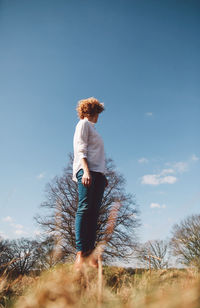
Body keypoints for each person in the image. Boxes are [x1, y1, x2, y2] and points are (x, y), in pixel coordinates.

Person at [72, 97, 108, 269]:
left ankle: (90, 253)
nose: (98, 116)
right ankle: (80, 253)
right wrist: (86, 171)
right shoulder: (83, 124)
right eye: (97, 112)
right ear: (92, 111)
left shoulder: (94, 130)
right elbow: (81, 149)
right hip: (87, 171)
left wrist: (103, 176)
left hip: (98, 174)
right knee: (84, 208)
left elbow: (97, 155)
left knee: (94, 213)